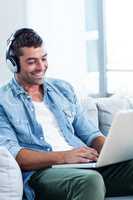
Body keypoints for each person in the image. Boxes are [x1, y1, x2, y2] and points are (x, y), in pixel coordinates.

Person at [0, 28, 133, 200]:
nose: (41, 67)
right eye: (32, 61)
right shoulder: (3, 101)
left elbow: (91, 134)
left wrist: (113, 151)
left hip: (83, 166)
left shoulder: (62, 89)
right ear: (14, 64)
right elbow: (16, 155)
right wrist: (64, 157)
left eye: (44, 58)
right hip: (42, 173)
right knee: (90, 181)